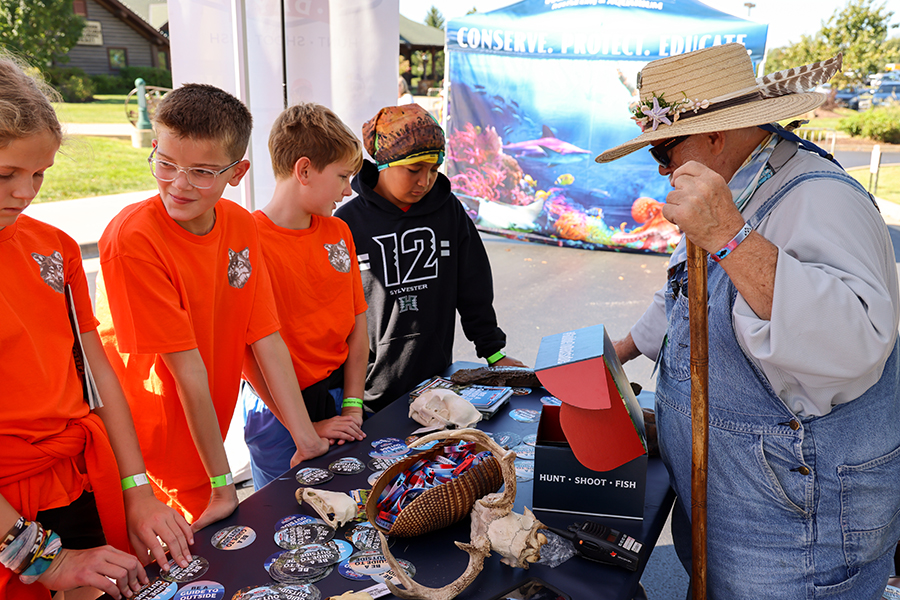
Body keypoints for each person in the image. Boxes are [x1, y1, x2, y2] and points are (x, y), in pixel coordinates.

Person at [595, 44, 900, 598]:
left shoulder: (823, 198)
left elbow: (855, 343)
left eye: (664, 149)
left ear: (715, 135)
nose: (661, 168)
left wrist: (731, 239)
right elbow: (686, 294)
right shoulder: (732, 186)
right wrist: (620, 350)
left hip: (795, 518)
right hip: (736, 495)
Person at [0, 53, 192, 599]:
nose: (26, 192)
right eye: (6, 174)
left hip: (73, 481)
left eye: (39, 173)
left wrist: (136, 489)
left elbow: (94, 369)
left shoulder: (53, 249)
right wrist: (42, 561)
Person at [95, 84, 330, 529]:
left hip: (206, 443)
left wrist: (306, 436)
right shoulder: (133, 239)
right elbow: (186, 370)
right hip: (149, 460)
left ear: (237, 172)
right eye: (165, 164)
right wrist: (223, 483)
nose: (178, 184)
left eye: (202, 171)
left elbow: (263, 335)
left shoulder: (241, 225)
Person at [335, 103, 525, 412]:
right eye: (414, 170)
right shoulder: (346, 223)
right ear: (383, 164)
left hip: (436, 388)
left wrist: (493, 353)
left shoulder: (449, 211)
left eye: (434, 170)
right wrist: (349, 401)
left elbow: (473, 284)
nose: (425, 181)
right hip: (366, 397)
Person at [241, 102, 367, 489]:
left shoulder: (338, 232)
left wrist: (352, 403)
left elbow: (358, 324)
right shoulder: (247, 240)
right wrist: (303, 427)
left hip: (335, 394)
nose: (348, 191)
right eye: (343, 176)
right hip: (276, 411)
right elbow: (252, 353)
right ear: (305, 170)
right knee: (284, 518)